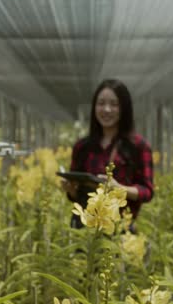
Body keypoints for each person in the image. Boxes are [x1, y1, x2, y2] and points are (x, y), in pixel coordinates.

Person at [62, 79, 154, 233]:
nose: (106, 109)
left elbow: (147, 191)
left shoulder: (138, 146)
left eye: (114, 104)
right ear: (94, 107)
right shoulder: (82, 146)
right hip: (85, 230)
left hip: (120, 230)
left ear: (124, 108)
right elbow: (76, 196)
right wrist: (70, 189)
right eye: (101, 103)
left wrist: (119, 188)